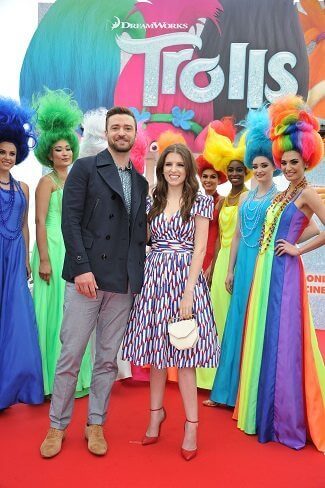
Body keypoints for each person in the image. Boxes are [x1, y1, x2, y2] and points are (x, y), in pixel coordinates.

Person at [40, 106, 148, 458]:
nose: (121, 133)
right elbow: (69, 222)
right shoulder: (86, 168)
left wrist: (139, 279)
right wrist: (82, 267)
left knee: (106, 360)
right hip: (86, 279)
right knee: (70, 356)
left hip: (122, 285)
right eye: (115, 127)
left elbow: (136, 235)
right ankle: (57, 427)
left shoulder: (140, 180)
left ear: (134, 135)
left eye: (127, 128)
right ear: (105, 131)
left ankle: (96, 424)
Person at [235, 95, 325, 452]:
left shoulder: (307, 192)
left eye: (294, 161)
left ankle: (285, 419)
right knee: (266, 337)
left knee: (284, 340)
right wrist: (290, 238)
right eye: (284, 161)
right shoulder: (286, 192)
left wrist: (297, 249)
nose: (288, 167)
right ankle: (265, 413)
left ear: (307, 160)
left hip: (285, 274)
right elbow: (293, 228)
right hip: (264, 271)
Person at [122, 143, 219, 461]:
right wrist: (148, 172)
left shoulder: (201, 200)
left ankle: (192, 425)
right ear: (162, 168)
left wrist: (189, 291)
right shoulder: (155, 198)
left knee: (185, 357)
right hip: (155, 279)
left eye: (179, 164)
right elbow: (147, 238)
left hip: (184, 282)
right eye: (168, 164)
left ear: (187, 168)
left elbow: (201, 248)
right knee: (156, 356)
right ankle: (155, 415)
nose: (174, 169)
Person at [203, 106, 278, 406]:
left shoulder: (278, 198)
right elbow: (233, 236)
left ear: (273, 166)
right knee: (234, 322)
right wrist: (230, 269)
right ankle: (224, 393)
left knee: (254, 323)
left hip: (261, 265)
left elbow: (296, 230)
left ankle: (250, 394)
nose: (259, 170)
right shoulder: (246, 197)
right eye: (256, 165)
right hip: (240, 265)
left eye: (264, 165)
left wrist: (286, 247)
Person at [31, 89, 92, 398]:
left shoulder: (78, 180)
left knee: (73, 316)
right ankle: (48, 380)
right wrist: (43, 258)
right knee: (52, 313)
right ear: (48, 153)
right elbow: (40, 222)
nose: (65, 153)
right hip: (51, 250)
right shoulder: (46, 183)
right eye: (59, 149)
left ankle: (72, 378)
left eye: (68, 148)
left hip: (73, 250)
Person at [0, 97, 43, 410]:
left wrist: (27, 257)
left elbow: (26, 225)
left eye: (12, 153)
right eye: (2, 152)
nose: (6, 157)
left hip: (15, 256)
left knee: (15, 318)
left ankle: (14, 385)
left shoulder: (24, 188)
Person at [204, 128, 251, 344]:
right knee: (216, 311)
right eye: (231, 170)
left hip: (241, 261)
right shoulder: (221, 201)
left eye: (239, 170)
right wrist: (212, 267)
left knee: (237, 313)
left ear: (246, 172)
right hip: (222, 260)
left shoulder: (249, 198)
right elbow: (218, 237)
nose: (234, 174)